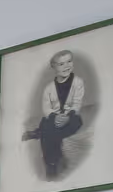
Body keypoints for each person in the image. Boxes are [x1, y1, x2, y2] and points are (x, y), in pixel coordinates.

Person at [23, 50, 87, 179]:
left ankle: (38, 134)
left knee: (57, 129)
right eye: (61, 64)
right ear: (54, 67)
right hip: (54, 117)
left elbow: (77, 102)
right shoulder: (49, 88)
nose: (66, 66)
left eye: (69, 61)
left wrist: (67, 117)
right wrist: (55, 117)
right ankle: (51, 163)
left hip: (72, 117)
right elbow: (46, 107)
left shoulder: (78, 82)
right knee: (48, 125)